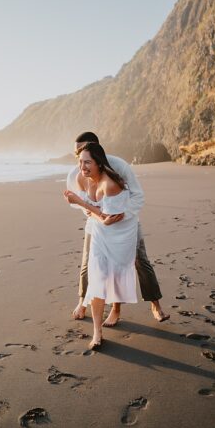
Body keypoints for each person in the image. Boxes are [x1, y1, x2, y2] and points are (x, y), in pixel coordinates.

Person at [66, 132, 169, 324]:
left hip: (126, 222)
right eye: (76, 152)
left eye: (83, 150)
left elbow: (138, 196)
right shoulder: (76, 173)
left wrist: (122, 215)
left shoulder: (119, 165)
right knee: (88, 263)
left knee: (140, 261)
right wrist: (90, 213)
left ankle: (155, 304)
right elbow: (82, 202)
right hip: (97, 223)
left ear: (96, 150)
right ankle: (82, 302)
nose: (79, 155)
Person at [64, 143, 140, 350]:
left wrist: (80, 202)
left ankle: (116, 310)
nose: (83, 167)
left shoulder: (110, 184)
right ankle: (97, 332)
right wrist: (84, 205)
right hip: (99, 232)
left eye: (87, 162)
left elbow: (108, 218)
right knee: (97, 277)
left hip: (120, 233)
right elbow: (98, 215)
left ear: (99, 163)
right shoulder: (82, 178)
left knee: (113, 276)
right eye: (80, 162)